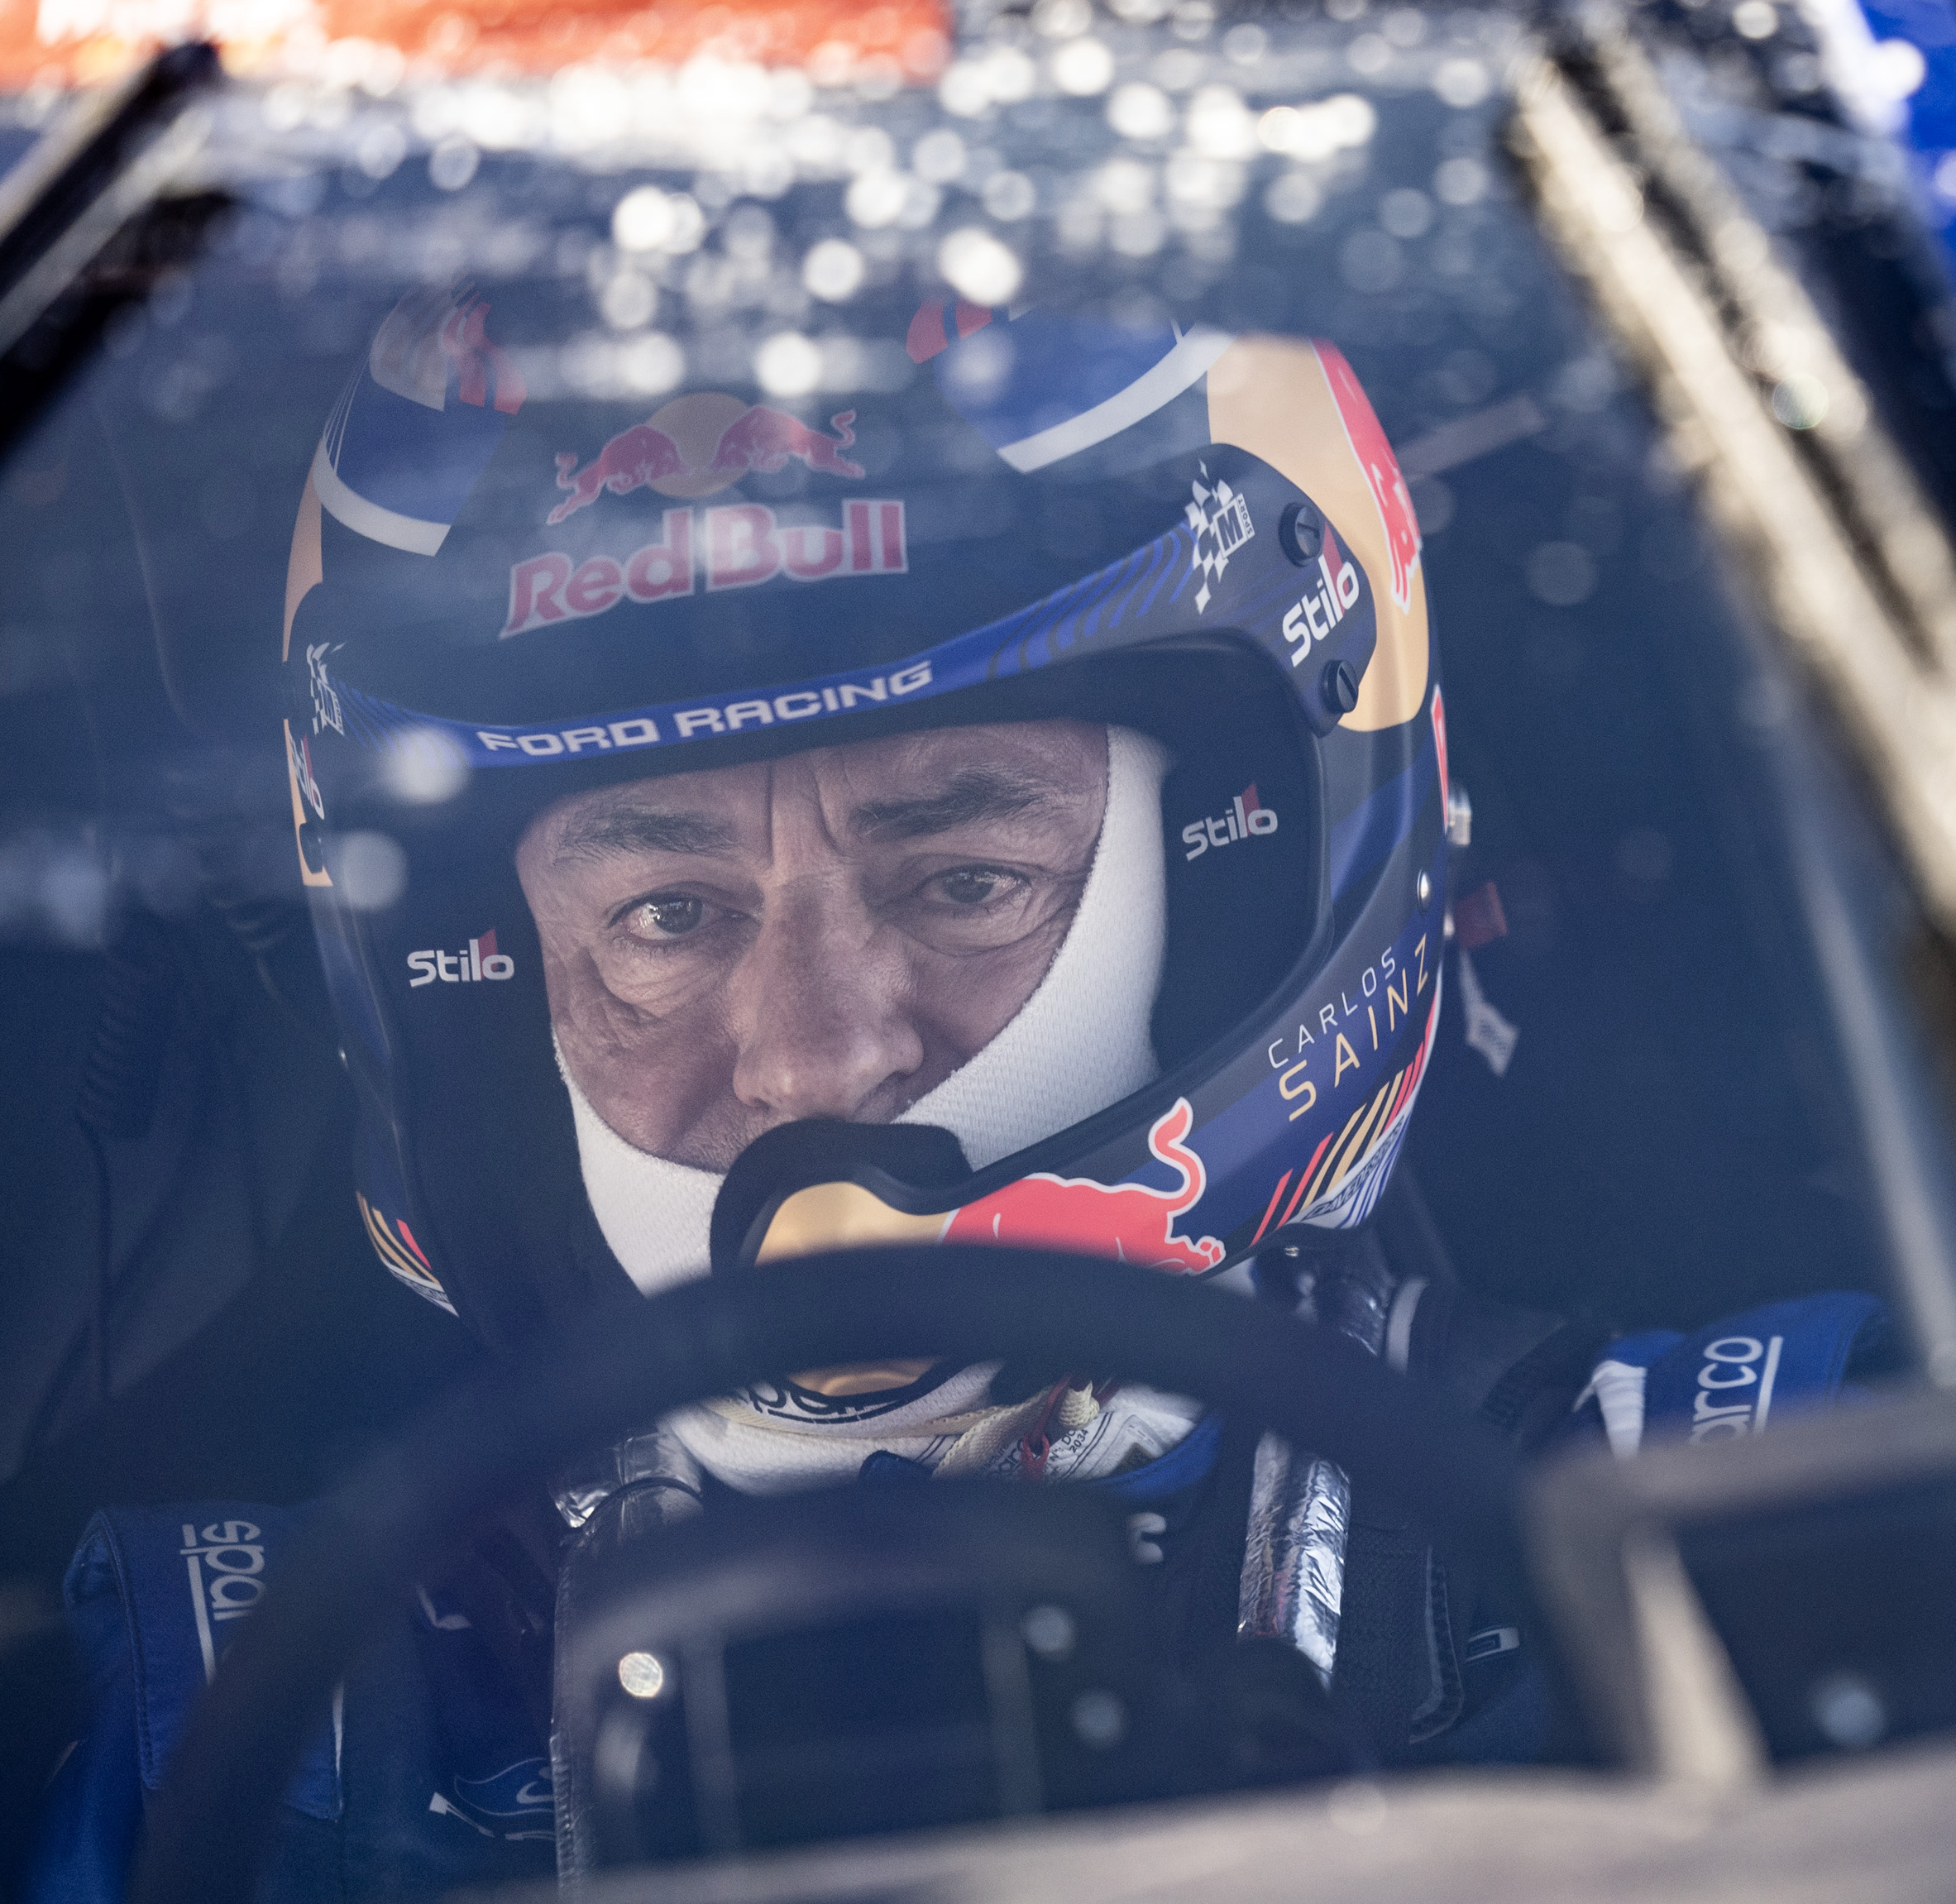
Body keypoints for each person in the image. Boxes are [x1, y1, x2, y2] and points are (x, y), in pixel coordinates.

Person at [26, 281, 1891, 1897]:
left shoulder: (1801, 1525)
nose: (821, 1051)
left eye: (966, 878)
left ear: (1242, 884)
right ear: (483, 985)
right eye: (666, 914)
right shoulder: (230, 1725)